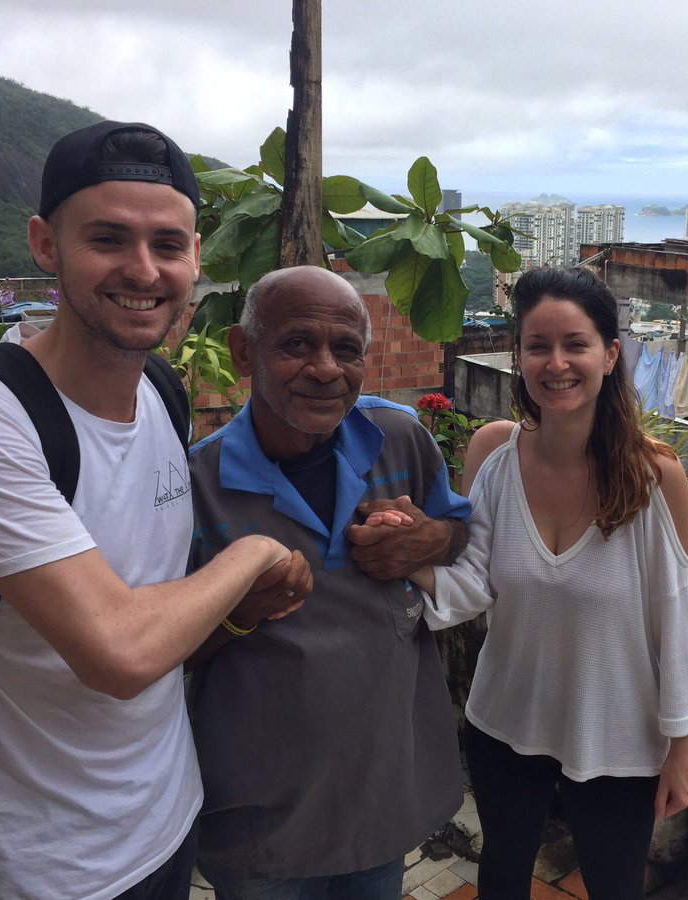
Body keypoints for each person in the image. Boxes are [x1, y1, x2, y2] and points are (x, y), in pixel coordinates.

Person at [0, 120, 311, 900]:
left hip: (166, 816)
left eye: (168, 244)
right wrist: (253, 554)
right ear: (45, 244)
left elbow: (152, 599)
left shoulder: (161, 393)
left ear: (196, 258)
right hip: (31, 865)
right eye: (109, 239)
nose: (143, 270)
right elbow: (119, 650)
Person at [398, 266, 688, 900]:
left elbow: (679, 622)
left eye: (576, 344)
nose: (557, 363)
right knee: (503, 874)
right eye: (538, 345)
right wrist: (401, 554)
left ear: (610, 354)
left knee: (614, 886)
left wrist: (683, 745)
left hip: (618, 734)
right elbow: (471, 586)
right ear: (518, 356)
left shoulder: (655, 477)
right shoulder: (493, 454)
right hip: (507, 717)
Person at [186, 265, 471, 900]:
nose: (324, 368)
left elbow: (460, 535)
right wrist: (239, 614)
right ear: (243, 352)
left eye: (346, 349)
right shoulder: (198, 487)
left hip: (378, 798)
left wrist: (430, 540)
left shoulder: (399, 439)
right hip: (265, 818)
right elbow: (157, 652)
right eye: (296, 345)